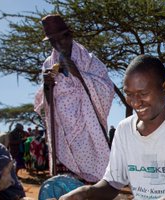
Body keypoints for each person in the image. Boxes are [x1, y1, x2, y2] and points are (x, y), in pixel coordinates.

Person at [59, 55, 165, 200]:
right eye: (129, 94)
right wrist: (87, 192)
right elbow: (112, 183)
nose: (135, 102)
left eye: (143, 93)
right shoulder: (124, 129)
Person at [34, 14, 114, 183]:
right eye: (52, 42)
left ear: (69, 35)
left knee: (92, 184)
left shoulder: (90, 61)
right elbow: (46, 105)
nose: (57, 45)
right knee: (66, 183)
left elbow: (106, 90)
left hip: (87, 131)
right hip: (62, 134)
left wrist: (78, 73)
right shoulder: (48, 64)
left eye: (60, 39)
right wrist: (47, 85)